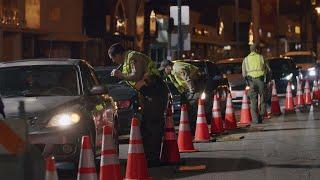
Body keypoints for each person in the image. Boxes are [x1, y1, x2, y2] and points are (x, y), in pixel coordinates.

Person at [108, 43, 168, 166]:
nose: (113, 61)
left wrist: (121, 75)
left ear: (119, 54)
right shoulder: (126, 62)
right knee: (146, 125)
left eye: (113, 58)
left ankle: (153, 159)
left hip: (155, 90)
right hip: (149, 93)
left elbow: (137, 75)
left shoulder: (132, 57)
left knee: (153, 125)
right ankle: (148, 157)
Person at [158, 60, 200, 132]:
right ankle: (188, 127)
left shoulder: (178, 68)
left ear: (168, 67)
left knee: (191, 107)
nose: (164, 72)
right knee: (184, 106)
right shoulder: (171, 74)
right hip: (187, 89)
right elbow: (177, 84)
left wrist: (191, 91)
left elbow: (188, 80)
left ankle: (193, 129)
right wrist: (183, 93)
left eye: (164, 70)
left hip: (195, 84)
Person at [242, 43, 271, 124]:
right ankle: (262, 114)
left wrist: (247, 81)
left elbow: (244, 73)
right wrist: (267, 80)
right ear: (257, 50)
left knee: (253, 100)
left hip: (251, 81)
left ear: (250, 50)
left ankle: (255, 119)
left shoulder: (246, 59)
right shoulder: (261, 57)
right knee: (263, 97)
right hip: (261, 80)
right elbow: (268, 70)